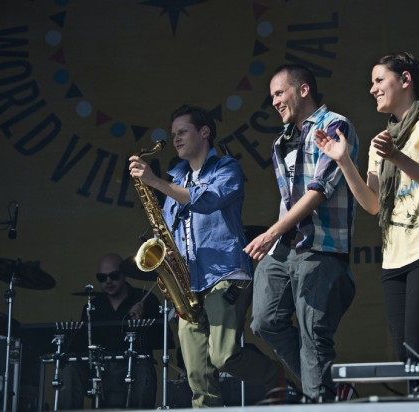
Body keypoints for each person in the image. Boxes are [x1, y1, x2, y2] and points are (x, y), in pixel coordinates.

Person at [314, 51, 419, 363]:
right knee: (405, 354)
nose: (372, 89)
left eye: (379, 80)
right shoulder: (380, 142)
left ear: (405, 79)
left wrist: (396, 156)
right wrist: (344, 162)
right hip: (395, 258)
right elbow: (372, 205)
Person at [128, 104, 284, 407]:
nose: (175, 138)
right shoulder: (177, 178)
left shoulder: (227, 168)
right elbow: (169, 229)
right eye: (173, 133)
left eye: (182, 132)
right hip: (188, 282)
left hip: (224, 275)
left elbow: (207, 200)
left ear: (204, 132)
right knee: (197, 373)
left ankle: (272, 374)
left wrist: (156, 183)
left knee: (224, 356)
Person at [244, 64, 358, 401]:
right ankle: (330, 387)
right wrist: (276, 237)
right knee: (264, 321)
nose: (275, 102)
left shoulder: (335, 125)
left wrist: (270, 233)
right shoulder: (280, 141)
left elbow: (320, 190)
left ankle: (320, 399)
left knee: (313, 335)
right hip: (284, 248)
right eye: (272, 96)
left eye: (280, 93)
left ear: (303, 90)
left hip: (321, 246)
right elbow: (288, 198)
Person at [58, 252, 160, 409]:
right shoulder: (92, 306)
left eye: (114, 276)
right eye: (102, 277)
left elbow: (161, 339)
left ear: (124, 274)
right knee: (70, 368)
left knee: (144, 368)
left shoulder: (146, 299)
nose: (108, 281)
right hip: (99, 369)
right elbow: (83, 345)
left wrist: (140, 324)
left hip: (133, 366)